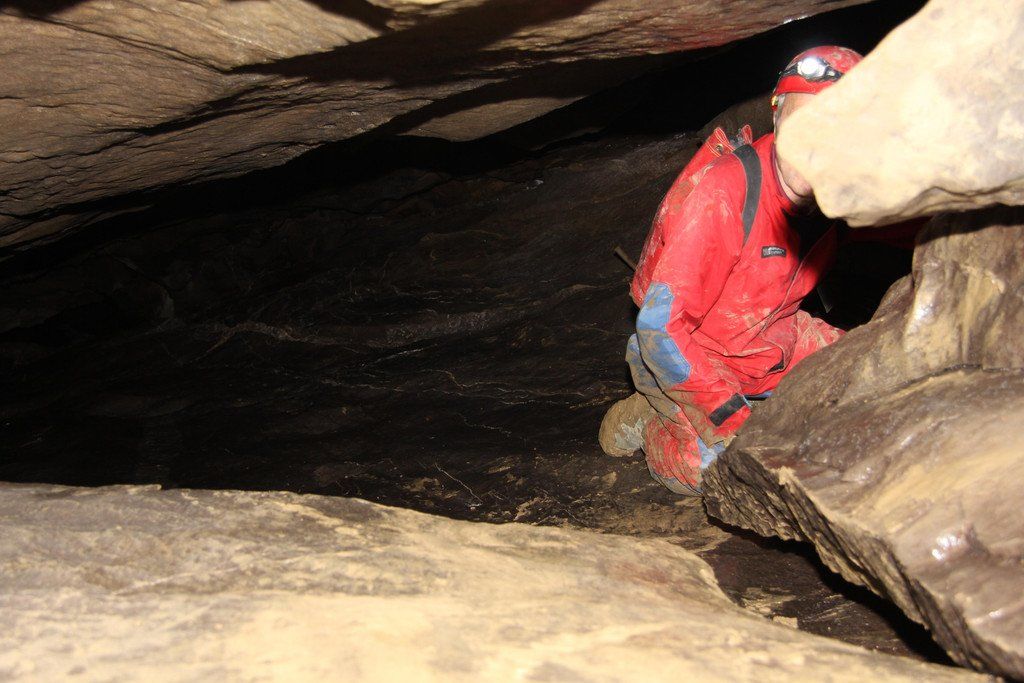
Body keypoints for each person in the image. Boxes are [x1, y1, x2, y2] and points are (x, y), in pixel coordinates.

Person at [599, 46, 864, 495]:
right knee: (725, 474)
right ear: (777, 116)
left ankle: (754, 403)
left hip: (773, 339)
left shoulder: (847, 193)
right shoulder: (726, 191)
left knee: (881, 374)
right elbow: (661, 329)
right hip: (693, 355)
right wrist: (729, 417)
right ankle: (646, 423)